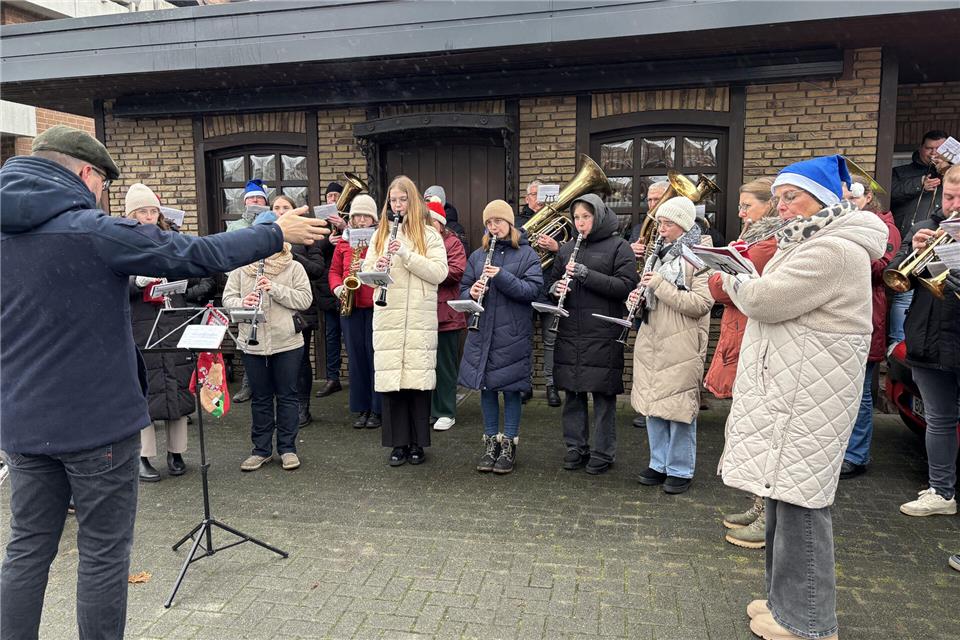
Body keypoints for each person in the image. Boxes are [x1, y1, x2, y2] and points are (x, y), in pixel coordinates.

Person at [0, 125, 328, 639]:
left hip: (22, 423)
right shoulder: (92, 231)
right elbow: (194, 253)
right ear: (86, 173)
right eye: (104, 184)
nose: (103, 195)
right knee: (103, 556)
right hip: (97, 428)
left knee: (25, 550)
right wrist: (273, 233)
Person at [718, 155, 888, 640]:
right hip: (794, 391)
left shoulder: (831, 250)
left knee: (802, 512)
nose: (782, 207)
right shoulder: (813, 241)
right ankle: (785, 605)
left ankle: (810, 624)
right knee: (781, 503)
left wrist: (732, 277)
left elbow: (766, 300)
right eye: (779, 197)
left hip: (807, 395)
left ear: (824, 200)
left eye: (791, 197)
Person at [704, 178, 779, 547]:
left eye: (748, 206)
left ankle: (767, 514)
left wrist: (726, 273)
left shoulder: (767, 245)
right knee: (748, 427)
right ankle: (757, 504)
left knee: (762, 430)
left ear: (770, 206)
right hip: (741, 334)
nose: (741, 213)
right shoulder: (751, 242)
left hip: (757, 338)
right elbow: (717, 289)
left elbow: (723, 288)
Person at [124, 183, 216, 483]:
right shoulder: (121, 242)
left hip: (171, 319)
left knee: (177, 387)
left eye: (153, 211)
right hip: (140, 326)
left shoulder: (170, 239)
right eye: (142, 211)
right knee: (145, 392)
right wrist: (135, 282)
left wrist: (176, 278)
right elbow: (109, 285)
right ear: (131, 214)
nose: (149, 216)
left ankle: (176, 453)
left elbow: (190, 274)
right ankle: (143, 457)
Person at [362, 176, 448, 466]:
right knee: (392, 386)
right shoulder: (380, 234)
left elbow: (439, 273)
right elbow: (366, 272)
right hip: (389, 315)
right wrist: (378, 267)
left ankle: (418, 444)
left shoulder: (430, 235)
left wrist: (406, 254)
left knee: (416, 385)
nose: (397, 206)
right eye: (393, 201)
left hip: (418, 319)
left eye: (403, 200)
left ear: (413, 201)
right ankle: (397, 444)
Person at [630, 197, 713, 495]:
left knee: (678, 406)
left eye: (667, 224)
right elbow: (651, 293)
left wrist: (658, 286)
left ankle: (680, 468)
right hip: (652, 338)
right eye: (660, 224)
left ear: (684, 225)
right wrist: (636, 300)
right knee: (654, 404)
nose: (660, 230)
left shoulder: (699, 256)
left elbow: (702, 304)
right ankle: (658, 463)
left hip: (682, 341)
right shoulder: (659, 253)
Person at [893, 164, 959, 532]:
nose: (953, 207)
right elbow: (896, 280)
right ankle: (941, 491)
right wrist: (913, 252)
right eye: (949, 197)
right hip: (928, 337)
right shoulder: (925, 227)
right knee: (939, 419)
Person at [552, 193, 638, 475]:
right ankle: (575, 447)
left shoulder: (619, 246)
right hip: (570, 331)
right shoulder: (565, 250)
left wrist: (587, 274)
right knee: (573, 394)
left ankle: (603, 452)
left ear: (598, 216)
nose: (580, 223)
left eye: (586, 217)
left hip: (602, 332)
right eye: (576, 218)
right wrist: (555, 290)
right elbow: (550, 283)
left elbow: (625, 286)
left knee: (603, 397)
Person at [458, 200, 543, 473]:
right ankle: (490, 442)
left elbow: (532, 291)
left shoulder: (527, 255)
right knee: (486, 387)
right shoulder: (478, 255)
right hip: (482, 332)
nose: (494, 227)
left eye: (498, 221)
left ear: (510, 223)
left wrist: (502, 276)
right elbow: (463, 288)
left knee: (511, 389)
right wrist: (470, 293)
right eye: (489, 223)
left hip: (512, 334)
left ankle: (509, 444)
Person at [223, 238, 313, 472]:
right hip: (252, 343)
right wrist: (243, 302)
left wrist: (275, 289)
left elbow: (305, 299)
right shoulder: (242, 268)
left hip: (288, 342)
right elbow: (227, 299)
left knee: (287, 396)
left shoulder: (294, 266)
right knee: (261, 398)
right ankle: (260, 451)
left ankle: (287, 449)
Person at [839, 177, 901, 480]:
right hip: (845, 313)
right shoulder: (844, 222)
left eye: (851, 198)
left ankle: (856, 455)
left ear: (867, 199)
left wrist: (849, 246)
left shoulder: (884, 227)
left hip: (869, 313)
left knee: (862, 392)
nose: (845, 203)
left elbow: (885, 270)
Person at [888, 130, 949, 344]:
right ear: (921, 148)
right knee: (903, 296)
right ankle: (896, 347)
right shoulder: (903, 172)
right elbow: (888, 193)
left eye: (938, 149)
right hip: (912, 240)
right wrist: (918, 184)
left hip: (941, 242)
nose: (933, 153)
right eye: (929, 148)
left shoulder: (951, 173)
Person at [272, 194, 325, 427]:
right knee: (277, 360)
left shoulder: (307, 239)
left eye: (286, 207)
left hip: (300, 310)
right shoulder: (266, 237)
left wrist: (293, 257)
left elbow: (317, 270)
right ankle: (284, 407)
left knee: (300, 360)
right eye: (277, 207)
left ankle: (303, 407)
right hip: (273, 307)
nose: (281, 211)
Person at [329, 194, 382, 428]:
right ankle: (362, 408)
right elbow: (333, 271)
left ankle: (379, 409)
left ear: (373, 219)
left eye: (366, 216)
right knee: (357, 359)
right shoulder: (342, 243)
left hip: (374, 307)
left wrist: (367, 268)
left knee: (375, 358)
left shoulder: (381, 242)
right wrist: (338, 288)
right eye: (357, 216)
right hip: (350, 306)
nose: (361, 221)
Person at [627, 179, 670, 428]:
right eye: (651, 200)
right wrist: (631, 250)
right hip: (645, 301)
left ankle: (661, 409)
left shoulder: (689, 227)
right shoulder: (638, 229)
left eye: (658, 199)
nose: (653, 204)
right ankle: (647, 408)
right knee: (646, 358)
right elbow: (629, 264)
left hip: (668, 302)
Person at [516, 179, 562, 407]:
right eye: (534, 194)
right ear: (527, 198)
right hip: (525, 290)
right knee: (524, 339)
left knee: (551, 341)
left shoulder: (561, 222)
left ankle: (551, 386)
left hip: (551, 289)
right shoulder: (516, 223)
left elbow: (573, 255)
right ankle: (525, 384)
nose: (539, 198)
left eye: (543, 193)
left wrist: (557, 248)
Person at [233, 179, 275, 404]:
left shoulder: (273, 221)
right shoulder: (235, 227)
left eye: (259, 199)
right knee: (247, 336)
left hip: (269, 281)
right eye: (251, 200)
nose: (255, 202)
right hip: (244, 282)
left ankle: (270, 383)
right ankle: (249, 383)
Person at [427, 200, 467, 431]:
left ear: (441, 223)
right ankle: (431, 409)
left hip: (446, 314)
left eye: (433, 221)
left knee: (444, 366)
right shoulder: (418, 242)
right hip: (423, 313)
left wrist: (426, 270)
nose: (429, 225)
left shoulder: (452, 243)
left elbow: (456, 272)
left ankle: (446, 411)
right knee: (426, 366)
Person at [315, 181, 347, 399]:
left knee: (351, 336)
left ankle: (357, 377)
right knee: (331, 336)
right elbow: (313, 249)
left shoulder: (350, 220)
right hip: (327, 288)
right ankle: (332, 378)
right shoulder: (319, 223)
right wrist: (328, 241)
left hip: (347, 287)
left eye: (337, 195)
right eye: (329, 196)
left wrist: (346, 230)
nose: (333, 199)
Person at [424, 185, 469, 254]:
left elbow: (461, 256)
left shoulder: (456, 229)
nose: (428, 204)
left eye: (431, 200)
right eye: (426, 200)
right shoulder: (419, 223)